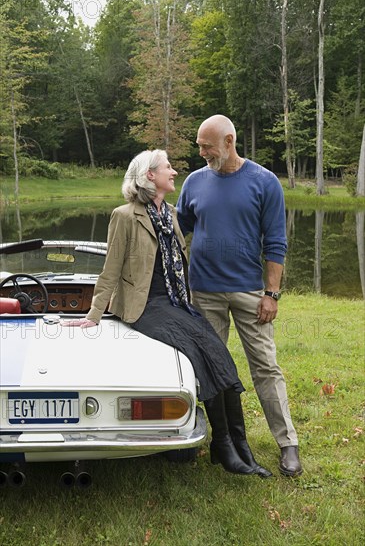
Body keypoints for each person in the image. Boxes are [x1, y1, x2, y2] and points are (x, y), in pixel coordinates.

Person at [61, 149, 272, 478]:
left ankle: (237, 446)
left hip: (176, 302)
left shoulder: (170, 213)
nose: (174, 172)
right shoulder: (125, 216)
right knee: (200, 357)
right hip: (146, 306)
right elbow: (110, 270)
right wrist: (94, 314)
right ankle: (225, 446)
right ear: (149, 176)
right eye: (167, 168)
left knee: (219, 356)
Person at [176, 115, 303, 477]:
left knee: (265, 366)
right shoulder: (194, 182)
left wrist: (271, 293)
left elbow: (276, 242)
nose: (201, 153)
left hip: (250, 292)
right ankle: (219, 440)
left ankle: (288, 443)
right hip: (204, 293)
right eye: (200, 145)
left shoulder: (264, 183)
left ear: (229, 141)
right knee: (209, 369)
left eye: (207, 146)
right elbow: (177, 231)